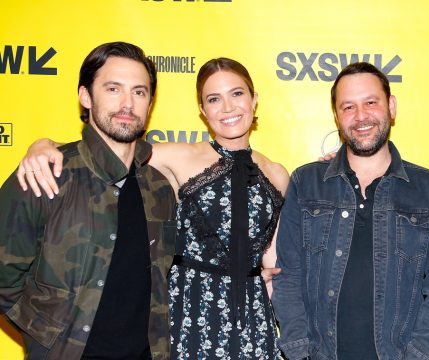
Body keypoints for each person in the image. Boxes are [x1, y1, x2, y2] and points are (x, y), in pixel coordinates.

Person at [17, 58, 289, 359]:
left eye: (237, 94)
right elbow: (104, 150)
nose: (227, 107)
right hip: (189, 312)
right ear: (202, 110)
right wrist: (43, 146)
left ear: (254, 99)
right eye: (214, 99)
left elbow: (272, 259)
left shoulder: (278, 173)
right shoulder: (177, 156)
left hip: (252, 316)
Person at [0, 42, 176, 359]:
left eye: (139, 92)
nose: (128, 103)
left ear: (150, 102)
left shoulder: (160, 188)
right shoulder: (45, 174)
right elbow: (4, 278)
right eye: (113, 89)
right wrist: (43, 333)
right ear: (85, 96)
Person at [272, 62, 429, 360]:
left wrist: (418, 355)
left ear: (391, 106)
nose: (361, 117)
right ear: (337, 116)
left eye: (371, 102)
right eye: (348, 107)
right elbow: (289, 276)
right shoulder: (307, 183)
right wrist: (299, 351)